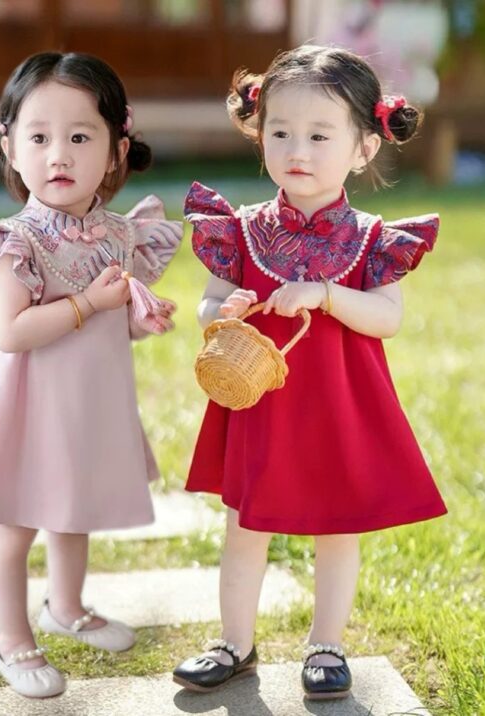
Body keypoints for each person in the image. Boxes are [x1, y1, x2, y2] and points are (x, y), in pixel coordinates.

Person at [173, 45, 446, 701]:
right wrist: (223, 310)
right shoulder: (241, 230)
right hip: (261, 403)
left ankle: (326, 644)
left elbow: (387, 318)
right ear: (259, 134)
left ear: (364, 147)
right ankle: (234, 642)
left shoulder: (371, 238)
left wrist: (325, 294)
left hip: (338, 405)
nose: (298, 149)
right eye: (281, 132)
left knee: (336, 529)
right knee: (245, 526)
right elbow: (209, 304)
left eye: (320, 136)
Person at [0, 51, 182, 699]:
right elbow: (11, 332)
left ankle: (66, 606)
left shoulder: (119, 235)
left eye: (79, 137)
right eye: (40, 138)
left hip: (90, 401)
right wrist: (90, 304)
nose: (59, 155)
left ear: (116, 150)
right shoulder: (15, 243)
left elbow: (113, 316)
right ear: (11, 149)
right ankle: (11, 636)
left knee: (76, 507)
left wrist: (137, 317)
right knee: (17, 523)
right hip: (29, 405)